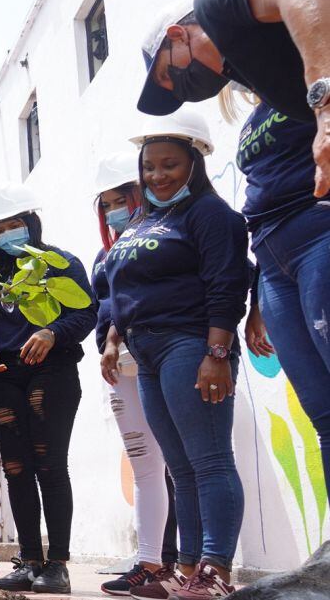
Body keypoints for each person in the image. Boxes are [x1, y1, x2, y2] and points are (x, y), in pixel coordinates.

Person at [137, 0, 330, 511]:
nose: (183, 87)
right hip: (275, 261)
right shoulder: (258, 107)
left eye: (169, 76)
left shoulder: (304, 76)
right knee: (323, 413)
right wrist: (262, 303)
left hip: (318, 232)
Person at [103, 111, 249, 600]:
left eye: (169, 165)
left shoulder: (210, 214)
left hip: (191, 344)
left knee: (209, 460)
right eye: (149, 167)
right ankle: (184, 570)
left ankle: (217, 571)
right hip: (146, 352)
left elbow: (228, 284)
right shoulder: (148, 217)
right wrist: (113, 339)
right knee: (180, 468)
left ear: (194, 164)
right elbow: (124, 288)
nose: (157, 175)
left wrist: (217, 352)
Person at [0, 184, 97, 595]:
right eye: (1, 228)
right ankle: (29, 561)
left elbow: (86, 312)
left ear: (31, 223)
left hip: (52, 374)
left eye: (15, 224)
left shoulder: (61, 263)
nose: (9, 233)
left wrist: (52, 331)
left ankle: (57, 564)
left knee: (49, 464)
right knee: (15, 469)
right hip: (5, 378)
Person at [139, 0, 330, 195]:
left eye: (166, 74)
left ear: (178, 35)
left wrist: (326, 103)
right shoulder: (270, 89)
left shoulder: (213, 3)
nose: (175, 88)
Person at [89, 152, 180, 597]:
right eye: (104, 204)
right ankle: (150, 561)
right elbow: (101, 309)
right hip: (120, 371)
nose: (112, 211)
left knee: (182, 462)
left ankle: (191, 562)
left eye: (118, 200)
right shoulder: (101, 258)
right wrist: (106, 346)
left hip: (161, 357)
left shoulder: (166, 234)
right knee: (146, 466)